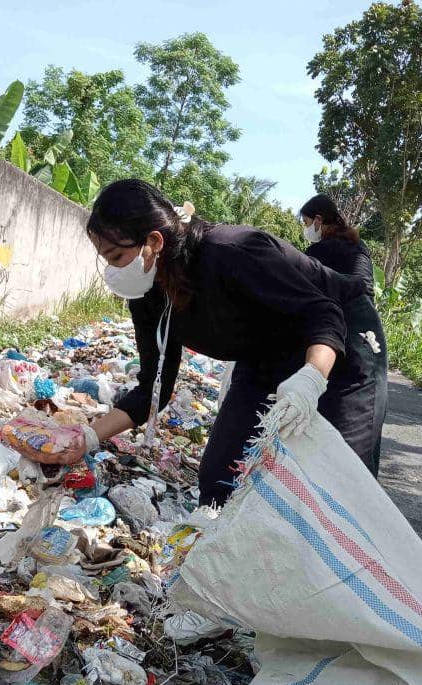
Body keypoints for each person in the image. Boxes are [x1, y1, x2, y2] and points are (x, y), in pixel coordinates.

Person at [44, 179, 386, 503]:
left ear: (153, 242)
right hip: (265, 351)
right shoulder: (146, 293)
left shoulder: (232, 250)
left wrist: (311, 379)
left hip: (342, 341)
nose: (113, 271)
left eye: (116, 257)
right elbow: (153, 389)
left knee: (337, 484)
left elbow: (322, 314)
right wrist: (86, 439)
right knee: (222, 479)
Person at [299, 193, 388, 472]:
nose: (305, 229)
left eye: (305, 222)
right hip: (368, 341)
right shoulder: (357, 246)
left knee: (343, 438)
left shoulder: (321, 252)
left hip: (350, 343)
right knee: (359, 434)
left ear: (318, 220)